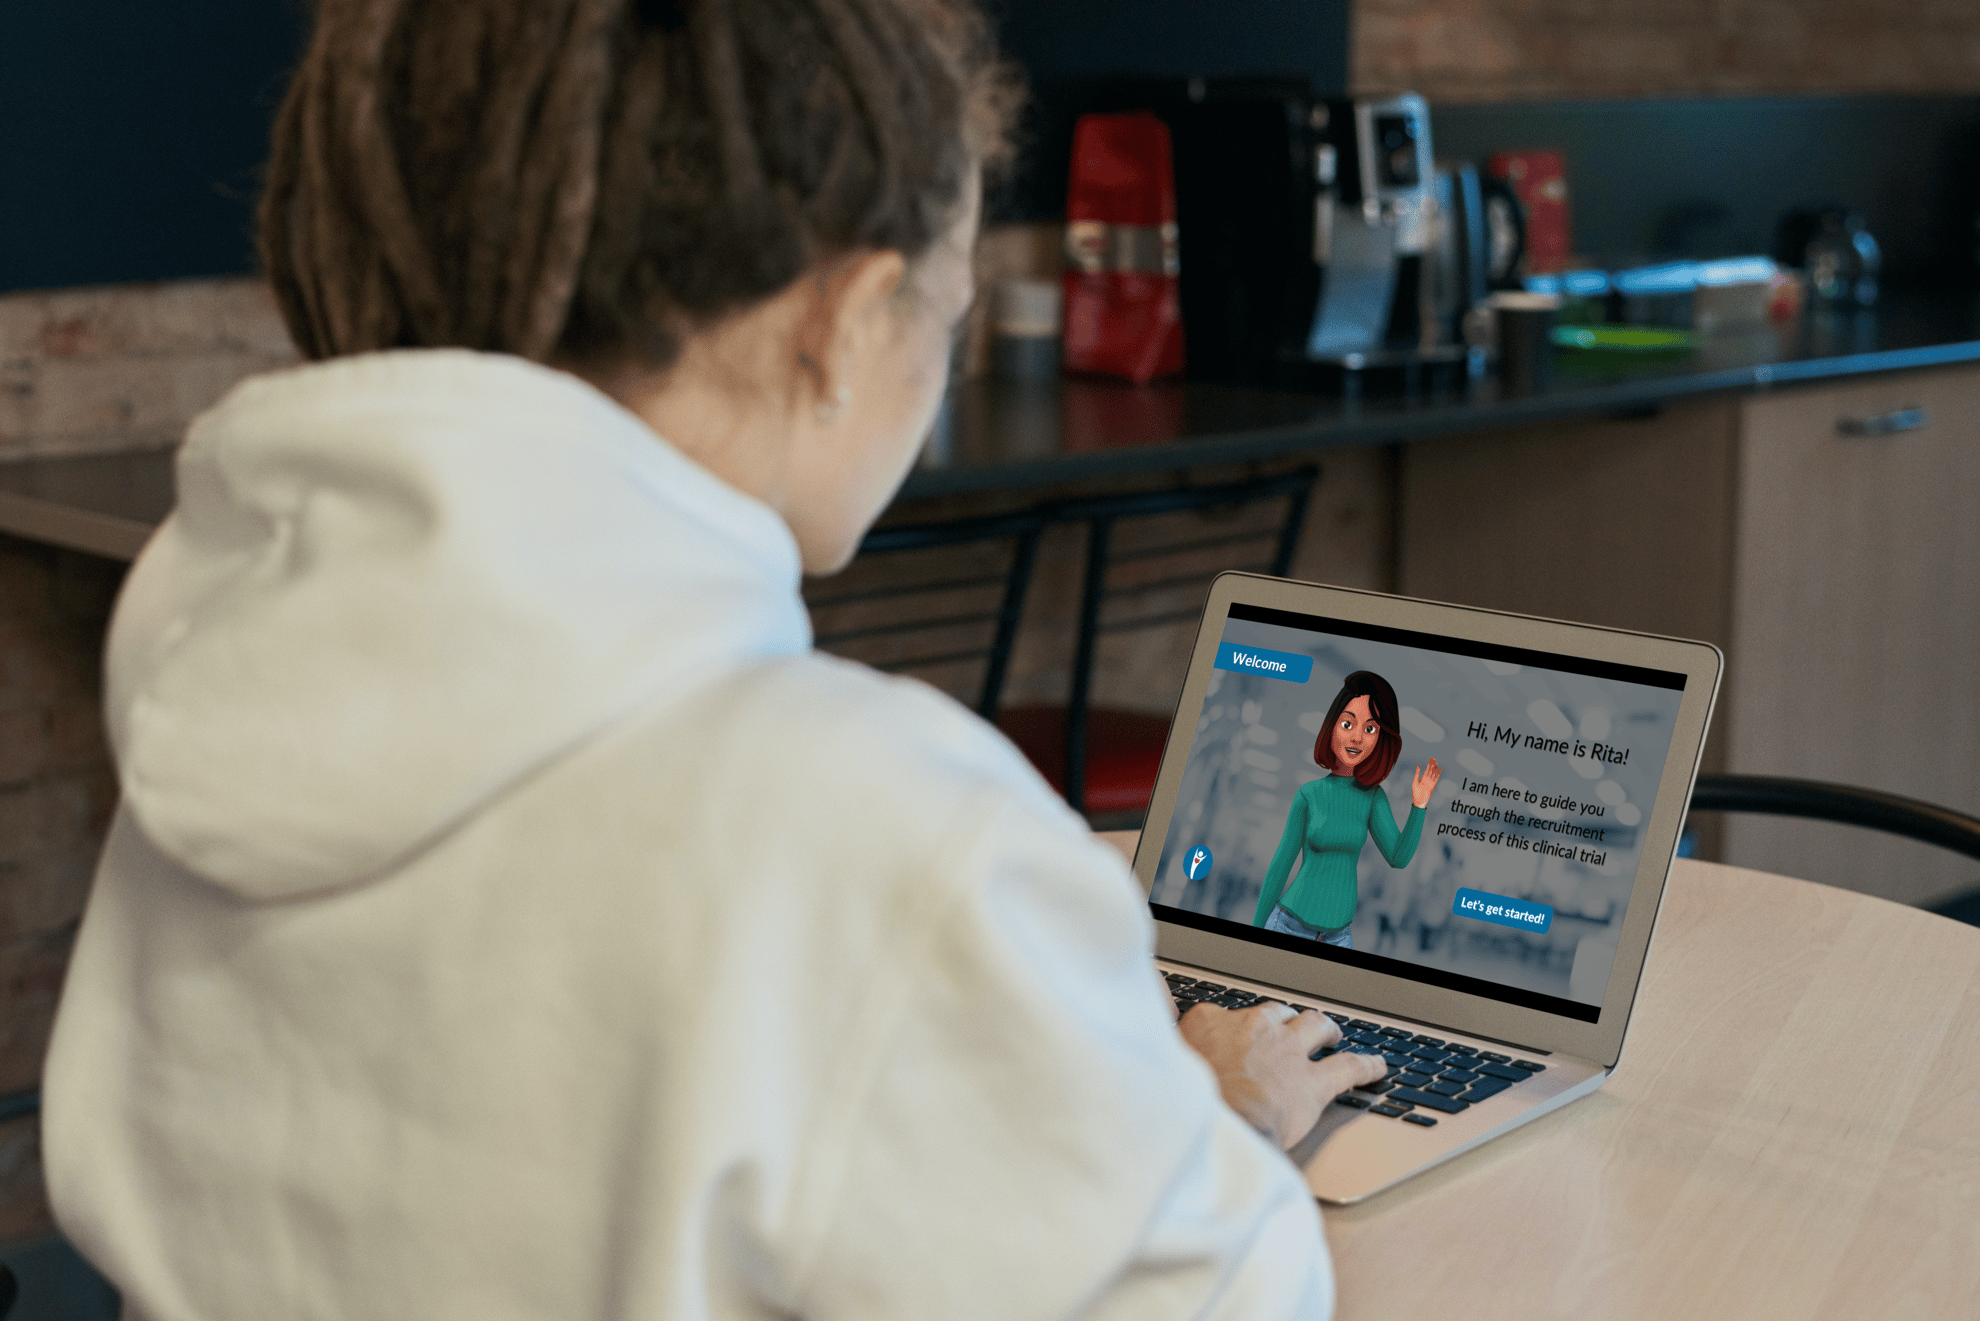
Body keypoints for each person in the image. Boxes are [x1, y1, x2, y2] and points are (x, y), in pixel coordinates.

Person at [42, 0, 1385, 1317]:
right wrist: (1227, 1118)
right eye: (949, 317)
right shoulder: (880, 828)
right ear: (846, 325)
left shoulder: (212, 671)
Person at [1253, 672, 1441, 949]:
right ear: (1332, 727)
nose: (1356, 738)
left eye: (1370, 729)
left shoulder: (1373, 798)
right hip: (1288, 926)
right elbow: (1280, 866)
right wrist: (1252, 936)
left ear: (1381, 738)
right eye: (1347, 723)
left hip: (1339, 937)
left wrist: (1420, 805)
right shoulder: (1309, 794)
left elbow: (1398, 858)